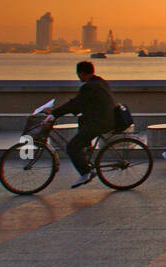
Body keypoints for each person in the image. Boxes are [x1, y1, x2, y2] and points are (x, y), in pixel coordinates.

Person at [49, 60, 116, 188]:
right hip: (105, 119)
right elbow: (83, 104)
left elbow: (75, 103)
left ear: (81, 73)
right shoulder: (100, 82)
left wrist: (55, 114)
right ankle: (86, 151)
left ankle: (86, 173)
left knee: (71, 147)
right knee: (82, 122)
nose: (78, 77)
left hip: (99, 122)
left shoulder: (88, 87)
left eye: (78, 74)